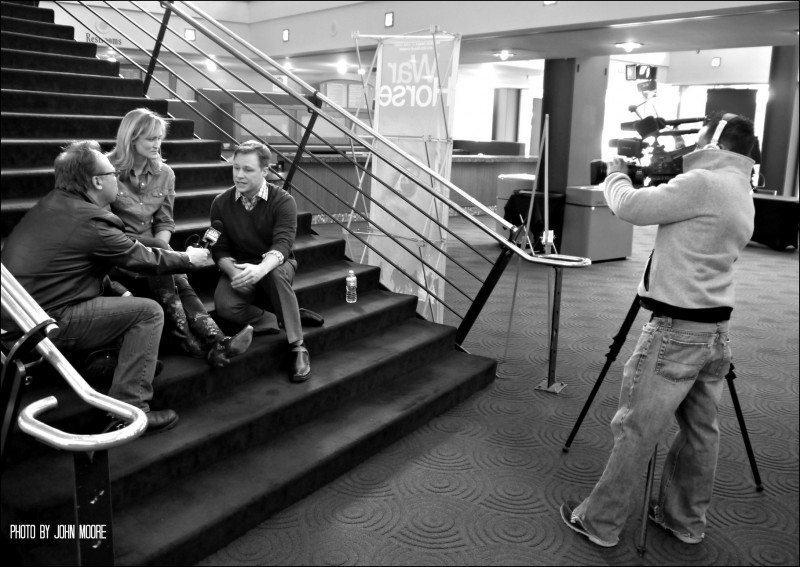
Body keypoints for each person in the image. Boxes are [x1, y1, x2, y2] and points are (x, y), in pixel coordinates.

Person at [561, 112, 756, 547]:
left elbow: (629, 206)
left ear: (717, 142)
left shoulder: (705, 183)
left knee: (636, 428)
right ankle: (683, 520)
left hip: (675, 328)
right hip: (714, 329)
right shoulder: (741, 188)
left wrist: (616, 174)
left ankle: (601, 522)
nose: (694, 140)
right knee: (701, 432)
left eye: (702, 135)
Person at [2, 140, 217, 433]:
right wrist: (190, 259)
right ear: (96, 181)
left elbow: (78, 265)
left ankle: (111, 362)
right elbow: (142, 258)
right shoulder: (90, 220)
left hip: (22, 314)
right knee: (148, 312)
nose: (117, 177)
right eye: (112, 173)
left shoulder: (55, 205)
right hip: (45, 322)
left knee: (124, 299)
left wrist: (120, 291)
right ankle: (128, 412)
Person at [107, 108, 252, 368]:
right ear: (131, 139)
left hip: (152, 252)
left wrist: (164, 254)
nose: (157, 144)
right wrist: (160, 253)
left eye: (159, 138)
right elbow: (103, 231)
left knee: (173, 271)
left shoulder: (165, 174)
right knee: (170, 267)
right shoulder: (107, 172)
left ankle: (215, 342)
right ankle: (200, 339)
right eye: (151, 139)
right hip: (118, 255)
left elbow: (164, 221)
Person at [209, 140, 312, 382]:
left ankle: (298, 345)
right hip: (241, 265)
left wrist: (260, 270)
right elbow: (219, 249)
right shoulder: (221, 203)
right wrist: (233, 272)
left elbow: (283, 245)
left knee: (274, 274)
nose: (239, 175)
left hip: (275, 264)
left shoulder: (283, 201)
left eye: (248, 169)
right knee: (224, 305)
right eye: (236, 168)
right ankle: (278, 316)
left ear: (265, 171)